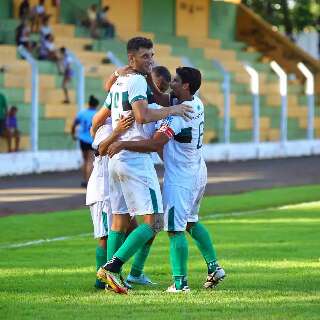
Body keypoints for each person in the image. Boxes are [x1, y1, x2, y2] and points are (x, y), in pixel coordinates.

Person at [107, 67, 226, 292]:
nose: (171, 84)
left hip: (181, 177)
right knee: (191, 221)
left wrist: (122, 143)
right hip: (198, 170)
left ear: (186, 86)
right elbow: (164, 99)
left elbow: (155, 144)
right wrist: (149, 81)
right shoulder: (195, 102)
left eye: (175, 81)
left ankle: (180, 283)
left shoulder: (179, 115)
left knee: (174, 229)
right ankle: (214, 267)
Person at [90, 37, 193, 294]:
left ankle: (111, 282)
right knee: (155, 221)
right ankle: (111, 269)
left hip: (116, 160)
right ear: (131, 59)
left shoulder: (119, 83)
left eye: (152, 55)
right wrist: (174, 110)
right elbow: (142, 116)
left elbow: (100, 118)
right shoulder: (135, 80)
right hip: (134, 158)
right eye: (145, 56)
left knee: (119, 221)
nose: (151, 60)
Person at [71, 95, 99, 187]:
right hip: (91, 140)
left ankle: (84, 180)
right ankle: (89, 182)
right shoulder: (97, 114)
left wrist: (73, 134)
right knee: (90, 161)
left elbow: (74, 124)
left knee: (85, 160)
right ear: (96, 105)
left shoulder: (82, 113)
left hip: (82, 139)